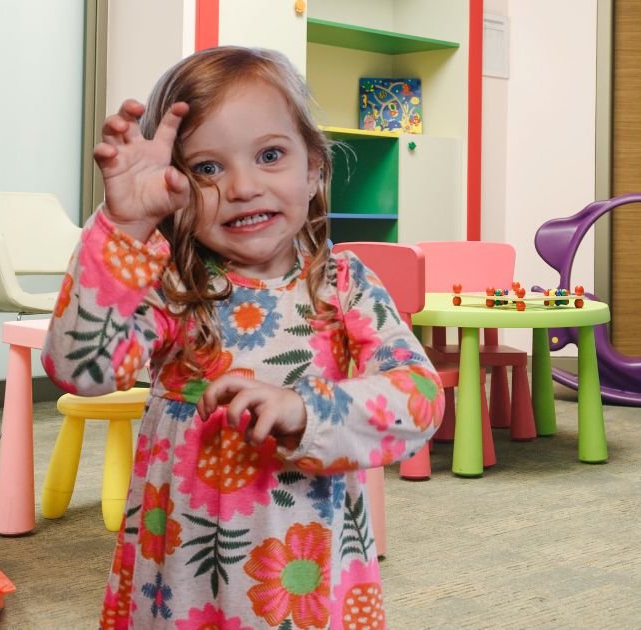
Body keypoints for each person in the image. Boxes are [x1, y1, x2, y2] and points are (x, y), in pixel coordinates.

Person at [42, 45, 444, 629]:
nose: (242, 186)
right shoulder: (172, 285)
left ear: (314, 168)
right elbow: (80, 370)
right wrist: (122, 230)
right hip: (181, 582)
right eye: (208, 168)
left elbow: (421, 400)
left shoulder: (344, 284)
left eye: (270, 155)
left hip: (308, 578)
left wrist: (306, 408)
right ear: (174, 185)